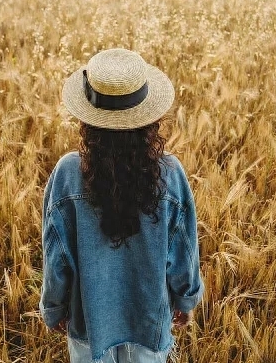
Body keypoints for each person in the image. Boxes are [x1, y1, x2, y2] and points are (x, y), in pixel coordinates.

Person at [40, 48, 204, 363]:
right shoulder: (170, 175)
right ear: (149, 119)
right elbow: (183, 250)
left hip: (89, 323)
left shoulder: (67, 174)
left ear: (88, 119)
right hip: (149, 322)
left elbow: (55, 255)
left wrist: (55, 308)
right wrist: (185, 300)